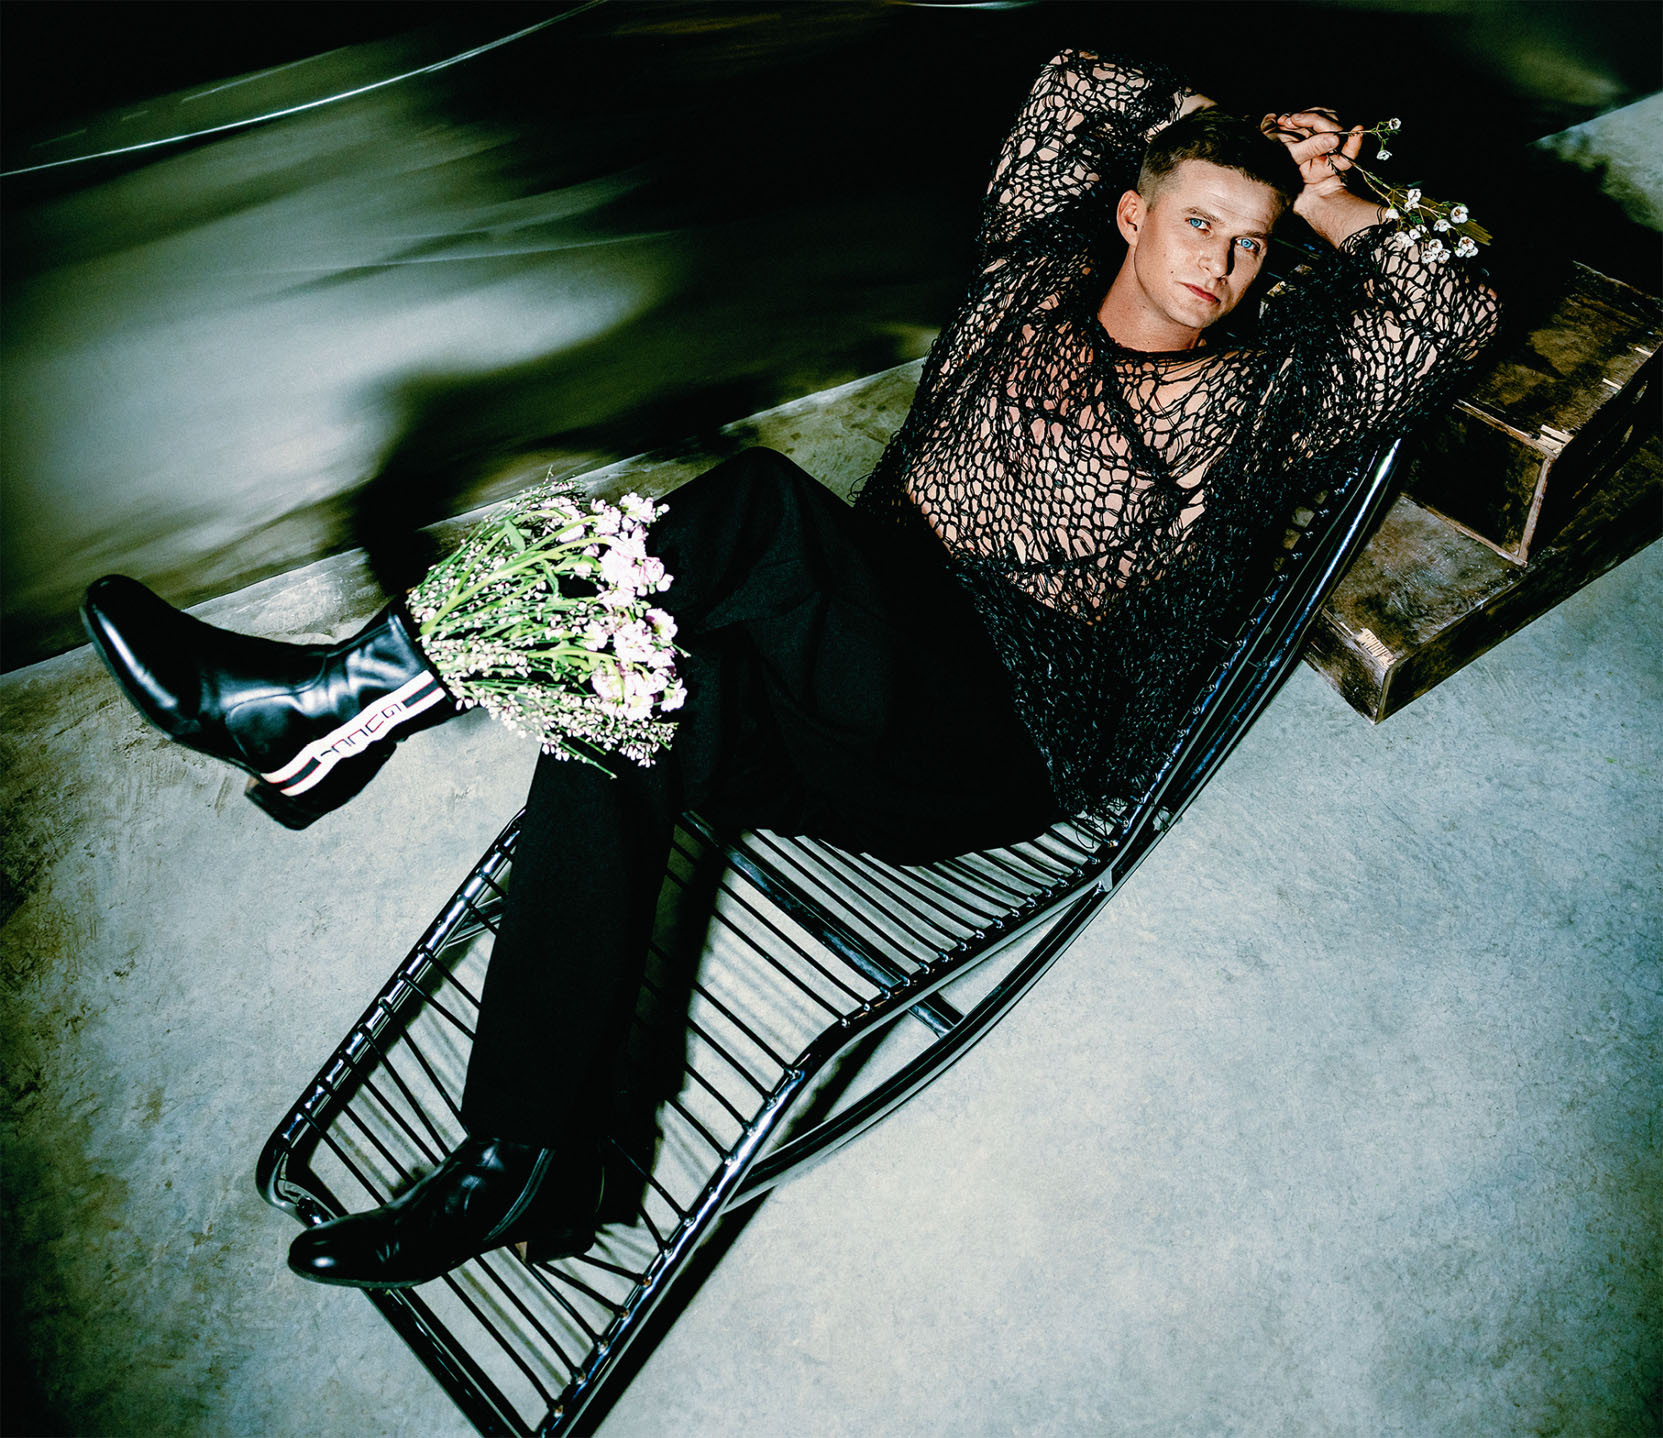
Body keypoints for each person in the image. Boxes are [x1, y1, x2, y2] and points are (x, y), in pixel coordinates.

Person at [81, 50, 1500, 1289]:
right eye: (1197, 221)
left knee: (760, 509)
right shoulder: (1029, 269)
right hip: (845, 665)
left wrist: (1327, 197)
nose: (1221, 266)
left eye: (1252, 245)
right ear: (1131, 212)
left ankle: (336, 705)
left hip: (995, 733)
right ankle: (530, 1158)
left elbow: (1453, 308)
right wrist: (1237, 124)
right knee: (615, 694)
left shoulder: (1261, 399)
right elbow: (1077, 84)